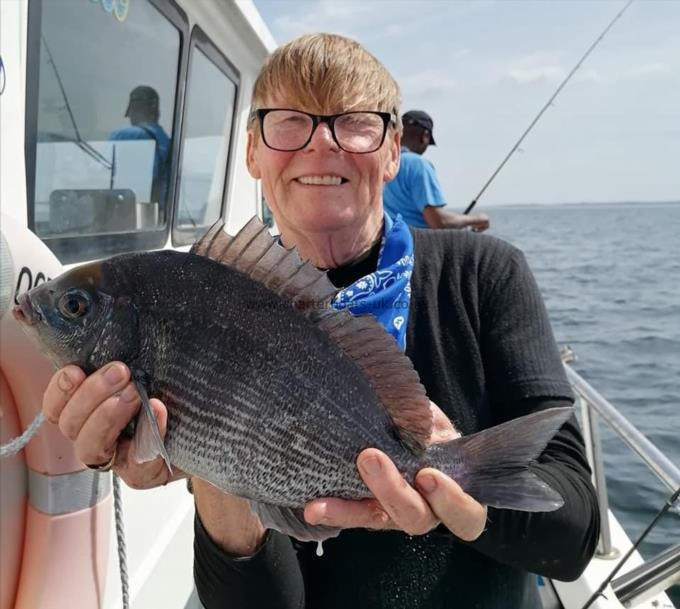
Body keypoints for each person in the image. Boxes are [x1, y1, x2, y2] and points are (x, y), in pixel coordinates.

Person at [42, 34, 599, 609]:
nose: (321, 145)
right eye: (289, 122)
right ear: (252, 150)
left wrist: (456, 478)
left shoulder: (484, 273)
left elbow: (574, 533)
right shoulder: (202, 300)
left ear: (392, 153)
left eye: (355, 122)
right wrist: (207, 463)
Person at [384, 109, 490, 231]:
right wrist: (478, 219)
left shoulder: (385, 164)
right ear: (425, 136)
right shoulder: (418, 164)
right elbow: (439, 222)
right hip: (419, 246)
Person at [109, 85, 171, 213]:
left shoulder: (124, 135)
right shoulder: (167, 141)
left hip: (124, 212)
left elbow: (97, 173)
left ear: (135, 110)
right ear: (157, 113)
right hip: (158, 213)